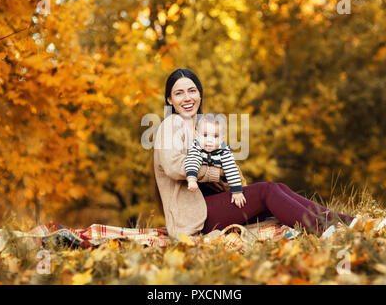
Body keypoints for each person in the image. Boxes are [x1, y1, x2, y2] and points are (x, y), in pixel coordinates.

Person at [152, 68, 355, 240]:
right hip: (195, 217)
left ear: (200, 94)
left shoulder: (201, 128)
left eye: (192, 91)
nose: (187, 98)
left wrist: (227, 175)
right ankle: (324, 231)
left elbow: (222, 168)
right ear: (169, 99)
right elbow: (173, 166)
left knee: (278, 190)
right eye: (179, 93)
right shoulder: (170, 124)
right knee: (266, 191)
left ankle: (343, 221)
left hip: (211, 206)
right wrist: (216, 172)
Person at [184, 113, 246, 207]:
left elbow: (231, 169)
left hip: (223, 186)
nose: (209, 140)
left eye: (215, 136)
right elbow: (192, 161)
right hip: (206, 190)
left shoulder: (224, 151)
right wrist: (192, 179)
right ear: (197, 135)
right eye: (205, 135)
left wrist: (236, 191)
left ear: (222, 139)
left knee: (238, 196)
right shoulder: (197, 148)